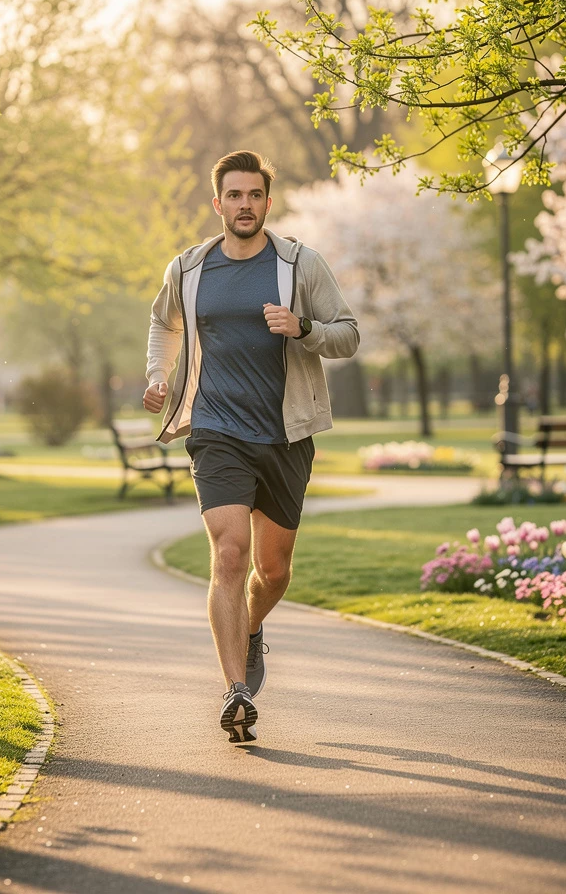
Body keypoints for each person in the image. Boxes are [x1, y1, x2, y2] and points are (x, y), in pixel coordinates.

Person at [144, 150, 359, 743]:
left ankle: (251, 627)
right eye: (234, 195)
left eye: (254, 195)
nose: (245, 205)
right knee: (230, 555)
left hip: (286, 434)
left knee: (274, 570)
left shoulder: (299, 265)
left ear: (267, 201)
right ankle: (236, 691)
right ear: (218, 203)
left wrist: (303, 328)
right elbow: (163, 324)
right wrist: (158, 376)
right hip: (216, 431)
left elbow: (348, 335)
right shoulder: (189, 268)